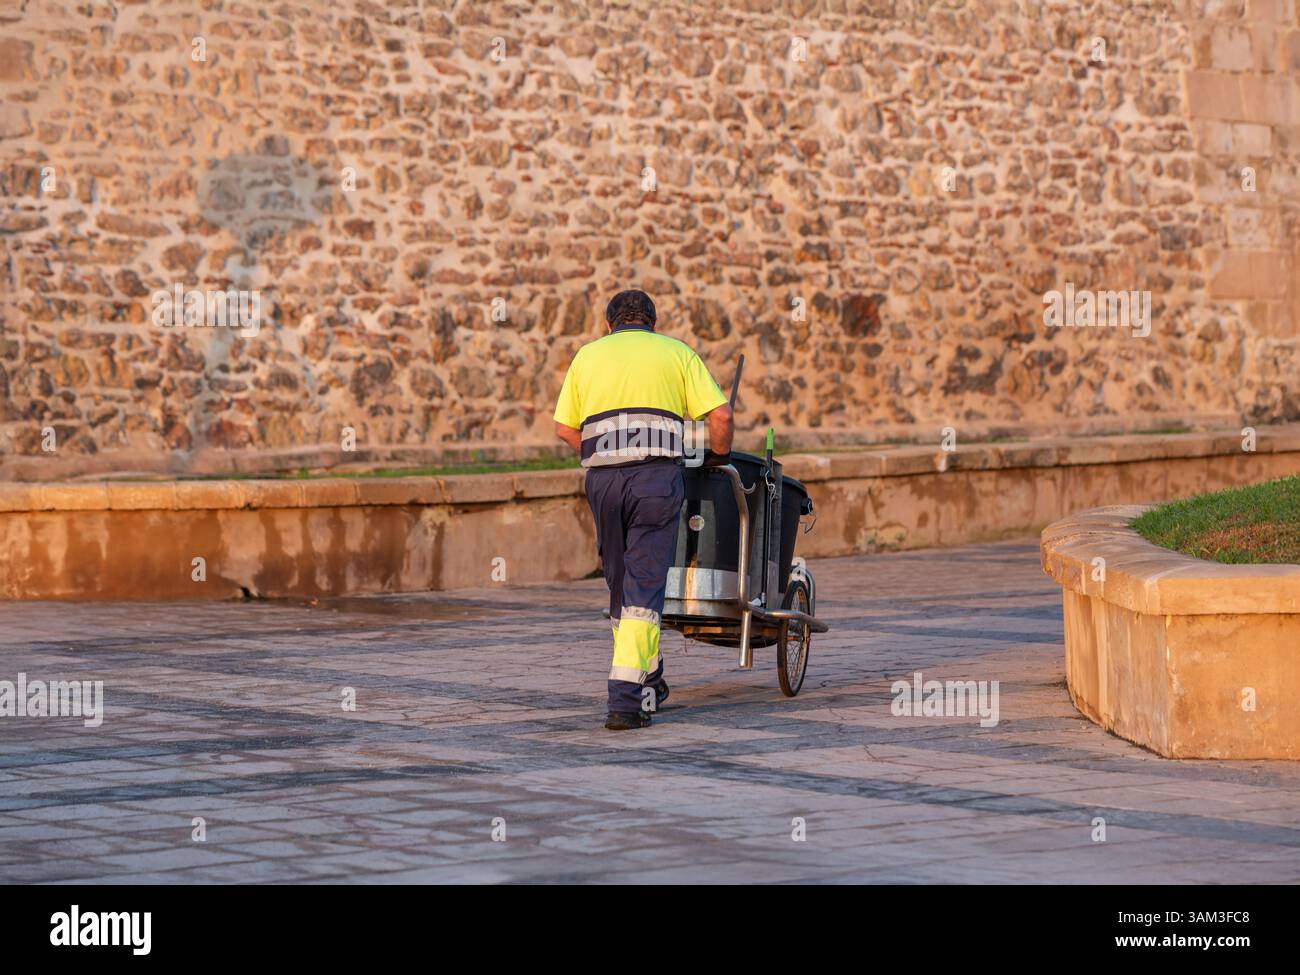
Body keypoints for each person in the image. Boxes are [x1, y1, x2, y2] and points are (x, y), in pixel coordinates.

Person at [553, 290, 734, 730]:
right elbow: (722, 417)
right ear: (652, 322)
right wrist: (718, 456)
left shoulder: (587, 356)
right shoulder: (677, 353)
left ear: (608, 323)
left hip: (603, 482)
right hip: (655, 480)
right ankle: (626, 699)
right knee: (644, 585)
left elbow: (563, 428)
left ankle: (650, 676)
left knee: (619, 581)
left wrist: (602, 453)